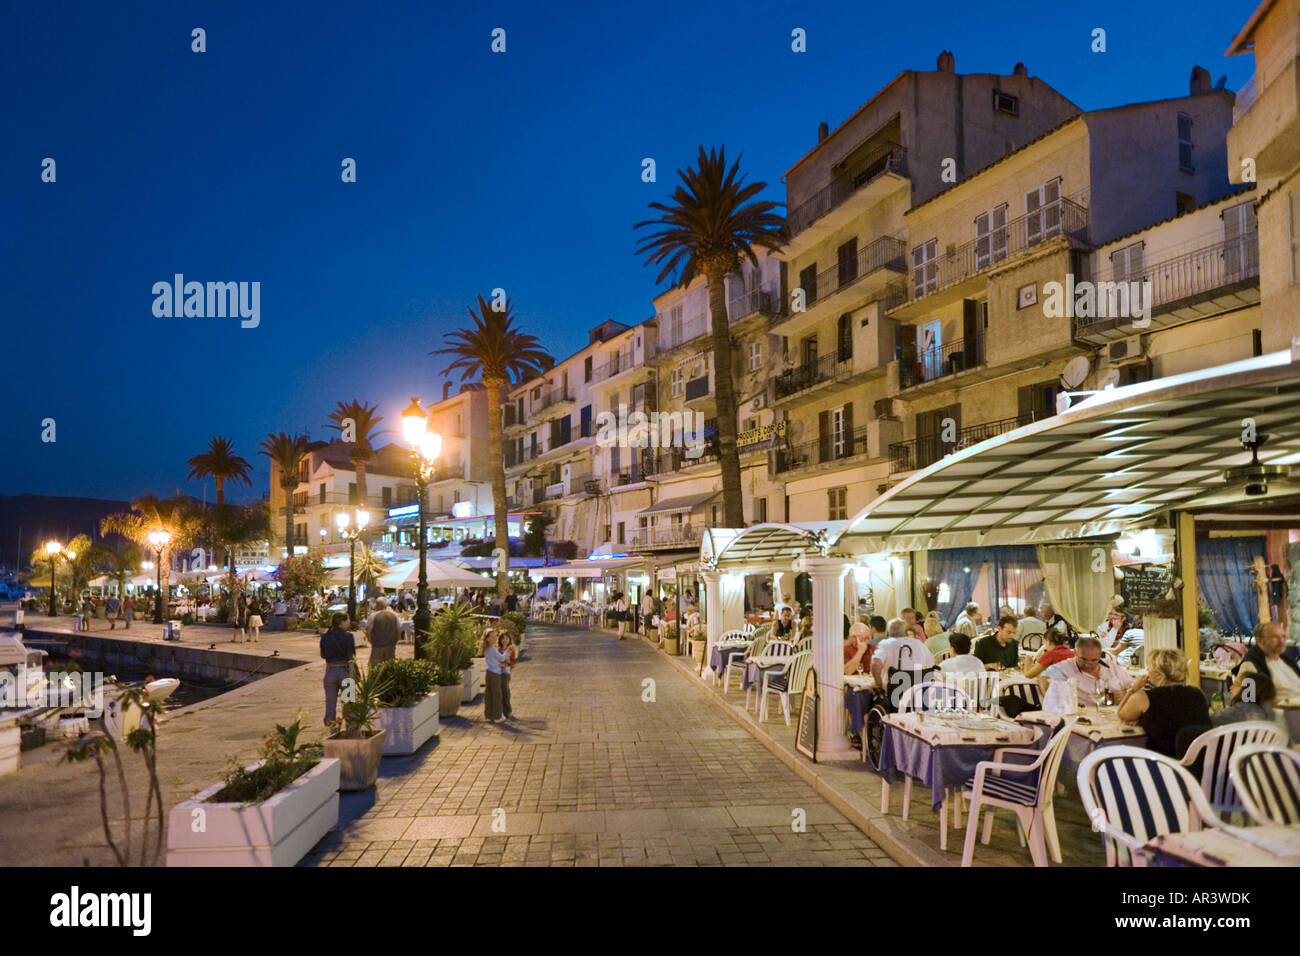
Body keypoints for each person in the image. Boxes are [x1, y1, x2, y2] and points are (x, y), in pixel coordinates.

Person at [1117, 648, 1211, 757]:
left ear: (1158, 675)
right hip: (1199, 761)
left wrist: (1134, 688)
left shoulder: (1144, 697)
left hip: (1164, 763)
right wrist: (1145, 720)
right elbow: (1178, 719)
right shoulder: (1197, 693)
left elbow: (1121, 714)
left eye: (1148, 669)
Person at [1041, 636, 1135, 712]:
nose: (1088, 664)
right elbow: (1043, 679)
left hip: (1115, 715)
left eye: (1094, 660)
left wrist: (1125, 694)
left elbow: (1133, 684)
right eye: (1083, 659)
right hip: (1086, 716)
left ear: (1099, 655)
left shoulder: (1110, 666)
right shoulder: (1064, 668)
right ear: (1075, 653)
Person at [1235, 621, 1300, 698]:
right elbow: (1248, 701)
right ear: (1259, 640)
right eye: (1275, 637)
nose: (1281, 641)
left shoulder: (1285, 661)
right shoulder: (1251, 665)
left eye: (1283, 637)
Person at [871, 617, 935, 689]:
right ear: (905, 632)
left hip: (894, 693)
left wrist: (879, 684)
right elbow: (931, 667)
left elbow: (876, 663)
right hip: (919, 692)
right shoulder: (919, 644)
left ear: (888, 632)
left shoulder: (886, 644)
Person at [319, 612, 355, 727]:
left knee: (330, 703)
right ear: (342, 622)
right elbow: (351, 658)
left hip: (330, 671)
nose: (349, 622)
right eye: (347, 620)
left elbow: (323, 655)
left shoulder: (324, 637)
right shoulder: (348, 637)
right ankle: (351, 726)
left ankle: (331, 728)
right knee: (348, 702)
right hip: (345, 671)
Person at [1213, 670, 1280, 729]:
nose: (1231, 687)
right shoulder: (1269, 710)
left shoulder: (1241, 709)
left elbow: (1210, 719)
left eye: (1236, 684)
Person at [484, 630, 511, 722]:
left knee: (489, 695)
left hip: (489, 672)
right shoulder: (492, 649)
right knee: (497, 695)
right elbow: (502, 658)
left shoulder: (487, 648)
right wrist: (508, 651)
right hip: (495, 674)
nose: (495, 638)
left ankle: (488, 715)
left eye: (496, 636)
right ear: (487, 639)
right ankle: (497, 716)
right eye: (493, 637)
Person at [367, 596, 400, 665]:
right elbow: (398, 629)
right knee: (390, 665)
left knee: (375, 666)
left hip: (377, 644)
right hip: (391, 644)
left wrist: (371, 641)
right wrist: (396, 640)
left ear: (376, 605)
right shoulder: (394, 615)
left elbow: (369, 631)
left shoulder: (373, 616)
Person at [498, 629, 517, 720]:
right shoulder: (497, 650)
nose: (505, 640)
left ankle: (508, 711)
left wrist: (509, 663)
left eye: (506, 638)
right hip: (497, 673)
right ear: (500, 640)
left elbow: (513, 661)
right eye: (503, 638)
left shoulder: (511, 650)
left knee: (505, 691)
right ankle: (501, 711)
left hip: (506, 673)